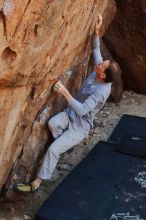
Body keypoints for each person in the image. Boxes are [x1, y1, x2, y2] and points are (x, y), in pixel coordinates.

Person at [14, 14, 118, 193]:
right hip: (70, 116)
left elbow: (83, 109)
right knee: (53, 123)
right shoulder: (101, 72)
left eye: (102, 65)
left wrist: (64, 92)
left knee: (53, 149)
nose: (99, 63)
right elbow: (96, 49)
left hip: (81, 125)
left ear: (102, 75)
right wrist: (96, 30)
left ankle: (36, 184)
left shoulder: (102, 92)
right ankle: (63, 145)